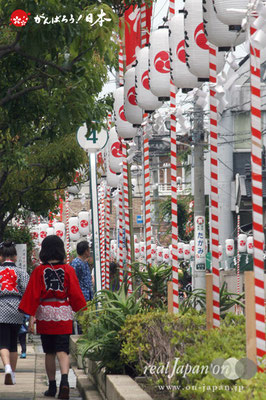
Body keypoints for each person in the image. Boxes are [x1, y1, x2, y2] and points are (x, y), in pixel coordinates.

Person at [19, 235, 86, 399]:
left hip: (46, 313)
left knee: (49, 352)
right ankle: (64, 381)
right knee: (63, 351)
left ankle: (51, 387)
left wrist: (31, 319)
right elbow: (76, 294)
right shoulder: (68, 270)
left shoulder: (39, 271)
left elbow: (33, 296)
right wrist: (82, 310)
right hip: (63, 312)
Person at [0, 240, 29, 385]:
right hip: (17, 309)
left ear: (1, 257)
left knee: (3, 342)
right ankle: (13, 374)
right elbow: (27, 292)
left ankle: (6, 368)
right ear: (15, 257)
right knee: (13, 343)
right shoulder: (21, 273)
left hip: (1, 308)